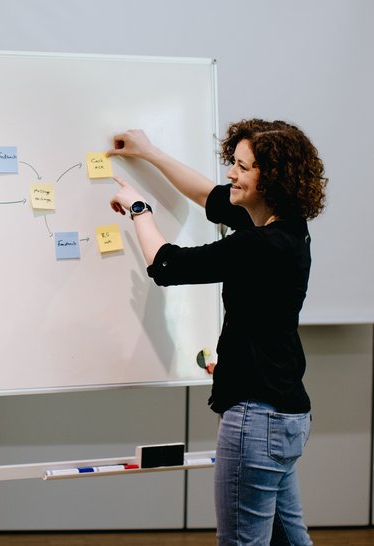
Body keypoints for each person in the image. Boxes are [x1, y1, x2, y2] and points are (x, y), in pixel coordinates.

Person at [107, 120, 326, 545]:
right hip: (285, 416)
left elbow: (167, 265)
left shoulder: (259, 245)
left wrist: (139, 209)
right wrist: (149, 152)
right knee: (290, 541)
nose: (231, 174)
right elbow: (208, 195)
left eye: (242, 168)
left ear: (270, 180)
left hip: (257, 420)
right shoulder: (286, 227)